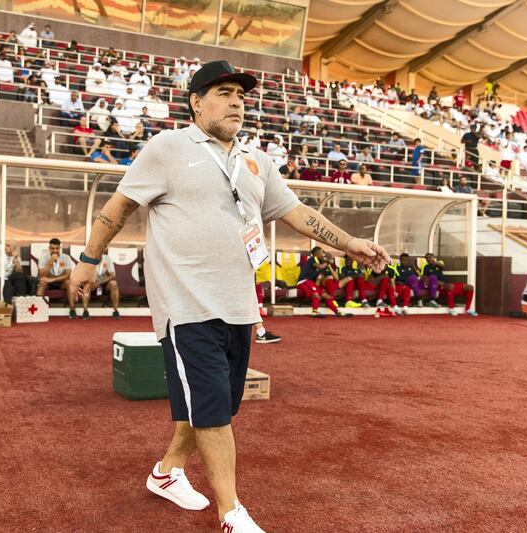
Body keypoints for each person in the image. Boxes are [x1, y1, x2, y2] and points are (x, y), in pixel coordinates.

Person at [68, 60, 389, 533]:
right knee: (214, 411)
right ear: (196, 102)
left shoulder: (256, 160)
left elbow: (296, 212)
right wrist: (89, 261)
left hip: (239, 306)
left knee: (213, 405)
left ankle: (165, 473)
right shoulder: (168, 148)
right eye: (223, 92)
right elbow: (119, 206)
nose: (238, 100)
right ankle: (231, 513)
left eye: (241, 94)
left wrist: (350, 243)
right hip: (186, 304)